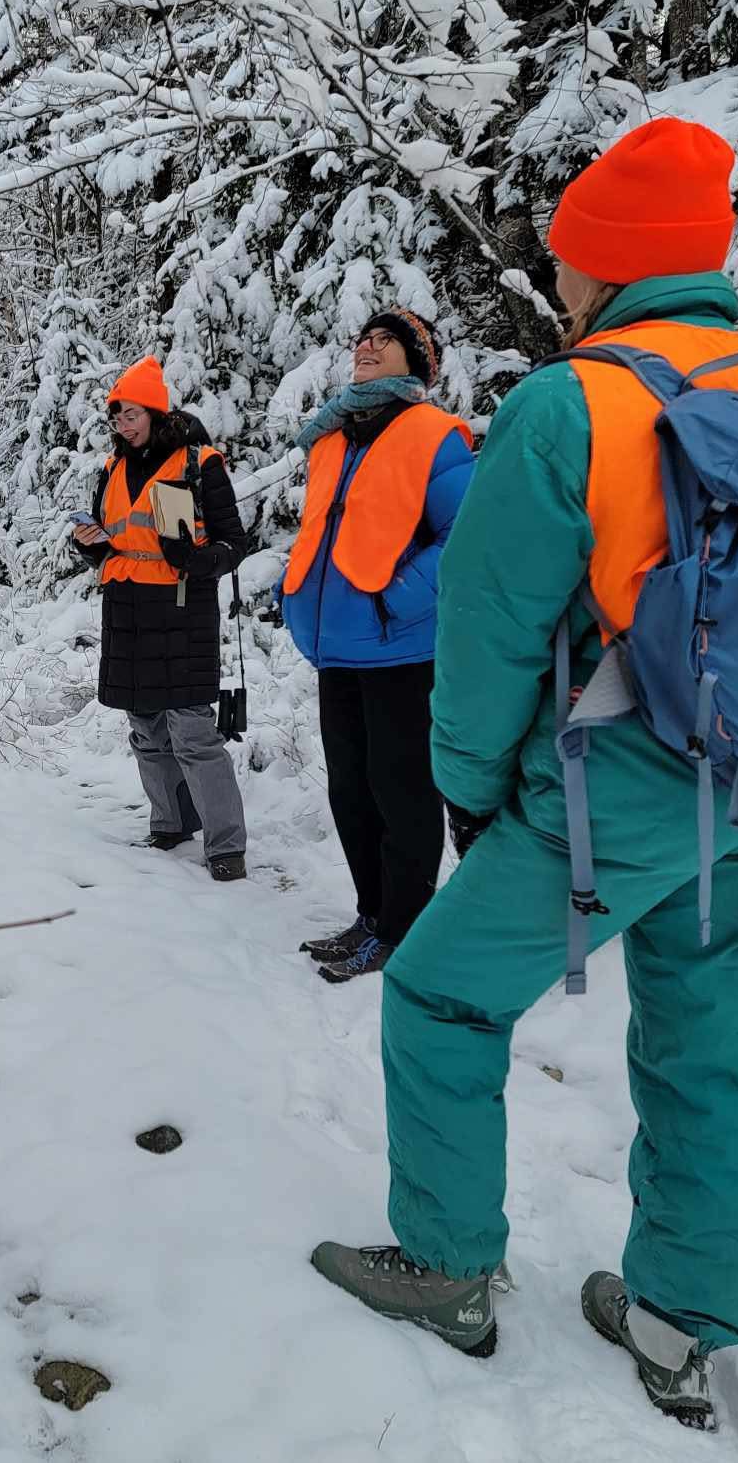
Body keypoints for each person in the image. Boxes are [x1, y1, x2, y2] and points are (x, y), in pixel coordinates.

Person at [306, 119, 738, 1430]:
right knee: (702, 1048)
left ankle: (448, 1267)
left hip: (621, 783)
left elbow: (493, 629)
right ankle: (682, 1319)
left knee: (443, 998)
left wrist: (470, 790)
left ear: (606, 269)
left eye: (567, 262)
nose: (557, 282)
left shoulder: (571, 404)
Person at [274, 310, 473, 982]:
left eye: (385, 339)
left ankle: (404, 930)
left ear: (415, 361)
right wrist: (294, 593)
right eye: (363, 336)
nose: (366, 344)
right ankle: (371, 915)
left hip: (401, 650)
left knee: (404, 793)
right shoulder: (333, 438)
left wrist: (395, 599)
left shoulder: (434, 435)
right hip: (338, 648)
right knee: (351, 792)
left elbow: (463, 539)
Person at [72, 356, 251, 881]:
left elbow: (233, 544)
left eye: (130, 415)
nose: (123, 426)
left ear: (153, 411)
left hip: (183, 610)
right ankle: (170, 824)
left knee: (193, 732)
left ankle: (226, 847)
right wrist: (88, 546)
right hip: (126, 610)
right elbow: (111, 535)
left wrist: (196, 560)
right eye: (116, 418)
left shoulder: (201, 463)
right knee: (146, 728)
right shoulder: (111, 469)